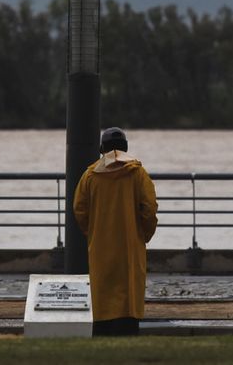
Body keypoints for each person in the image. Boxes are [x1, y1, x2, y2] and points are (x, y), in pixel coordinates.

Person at [73, 126, 158, 336]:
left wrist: (93, 232)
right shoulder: (137, 173)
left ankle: (102, 331)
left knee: (103, 294)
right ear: (126, 147)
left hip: (101, 247)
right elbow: (149, 209)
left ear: (102, 148)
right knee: (128, 296)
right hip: (131, 246)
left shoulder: (90, 176)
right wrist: (143, 235)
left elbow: (79, 210)